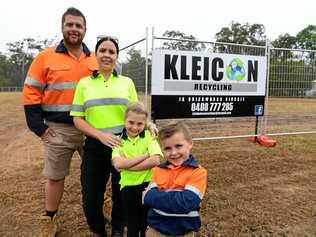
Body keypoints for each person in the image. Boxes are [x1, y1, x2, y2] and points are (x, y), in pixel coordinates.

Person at [22, 7, 98, 236]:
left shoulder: (95, 58)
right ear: (62, 27)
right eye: (70, 25)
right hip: (58, 129)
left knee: (96, 175)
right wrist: (40, 128)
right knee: (55, 177)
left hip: (91, 128)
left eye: (78, 26)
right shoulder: (45, 57)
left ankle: (98, 212)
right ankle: (49, 218)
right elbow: (31, 92)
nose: (74, 29)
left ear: (85, 30)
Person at [70, 37, 138, 237]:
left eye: (111, 52)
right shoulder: (84, 84)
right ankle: (98, 229)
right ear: (95, 54)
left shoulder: (127, 82)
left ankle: (118, 229)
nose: (107, 55)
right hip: (94, 146)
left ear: (117, 56)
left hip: (123, 146)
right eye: (103, 50)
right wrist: (100, 135)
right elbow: (77, 119)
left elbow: (136, 113)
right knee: (91, 196)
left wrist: (149, 125)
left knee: (122, 193)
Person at [143, 121, 207, 237]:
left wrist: (154, 197)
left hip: (183, 233)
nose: (173, 153)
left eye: (178, 146)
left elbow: (186, 203)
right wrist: (151, 197)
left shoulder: (198, 172)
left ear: (190, 143)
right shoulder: (157, 170)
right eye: (167, 148)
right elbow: (148, 197)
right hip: (155, 231)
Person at [112, 102, 163, 237]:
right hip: (128, 187)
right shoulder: (118, 140)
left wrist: (128, 165)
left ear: (145, 123)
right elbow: (117, 164)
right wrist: (145, 155)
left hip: (148, 186)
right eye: (131, 122)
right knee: (132, 223)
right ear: (124, 121)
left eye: (139, 124)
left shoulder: (149, 136)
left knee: (147, 222)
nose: (134, 127)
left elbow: (156, 160)